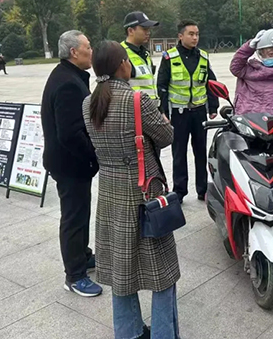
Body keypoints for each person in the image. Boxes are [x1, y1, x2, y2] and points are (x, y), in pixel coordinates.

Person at [83, 40, 180, 339]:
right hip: (143, 194)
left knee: (121, 272)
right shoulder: (137, 100)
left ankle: (129, 333)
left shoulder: (88, 103)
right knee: (162, 272)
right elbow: (166, 137)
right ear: (122, 64)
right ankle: (165, 334)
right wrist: (163, 122)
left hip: (110, 193)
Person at [41, 30, 102, 297]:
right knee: (74, 218)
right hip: (69, 164)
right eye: (88, 47)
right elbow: (70, 133)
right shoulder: (67, 83)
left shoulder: (71, 76)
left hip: (72, 163)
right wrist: (94, 154)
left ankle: (83, 255)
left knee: (80, 213)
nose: (92, 51)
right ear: (74, 52)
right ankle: (74, 275)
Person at [157, 20, 219, 203]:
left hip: (199, 112)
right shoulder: (170, 57)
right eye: (191, 34)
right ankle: (179, 191)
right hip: (179, 113)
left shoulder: (203, 57)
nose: (195, 37)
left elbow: (211, 83)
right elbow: (162, 85)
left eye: (197, 34)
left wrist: (213, 107)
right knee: (179, 152)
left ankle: (202, 189)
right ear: (180, 36)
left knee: (201, 151)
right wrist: (163, 111)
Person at [121, 11, 160, 106]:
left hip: (151, 110)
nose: (148, 32)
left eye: (149, 29)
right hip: (134, 111)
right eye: (144, 29)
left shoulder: (145, 53)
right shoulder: (120, 53)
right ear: (130, 31)